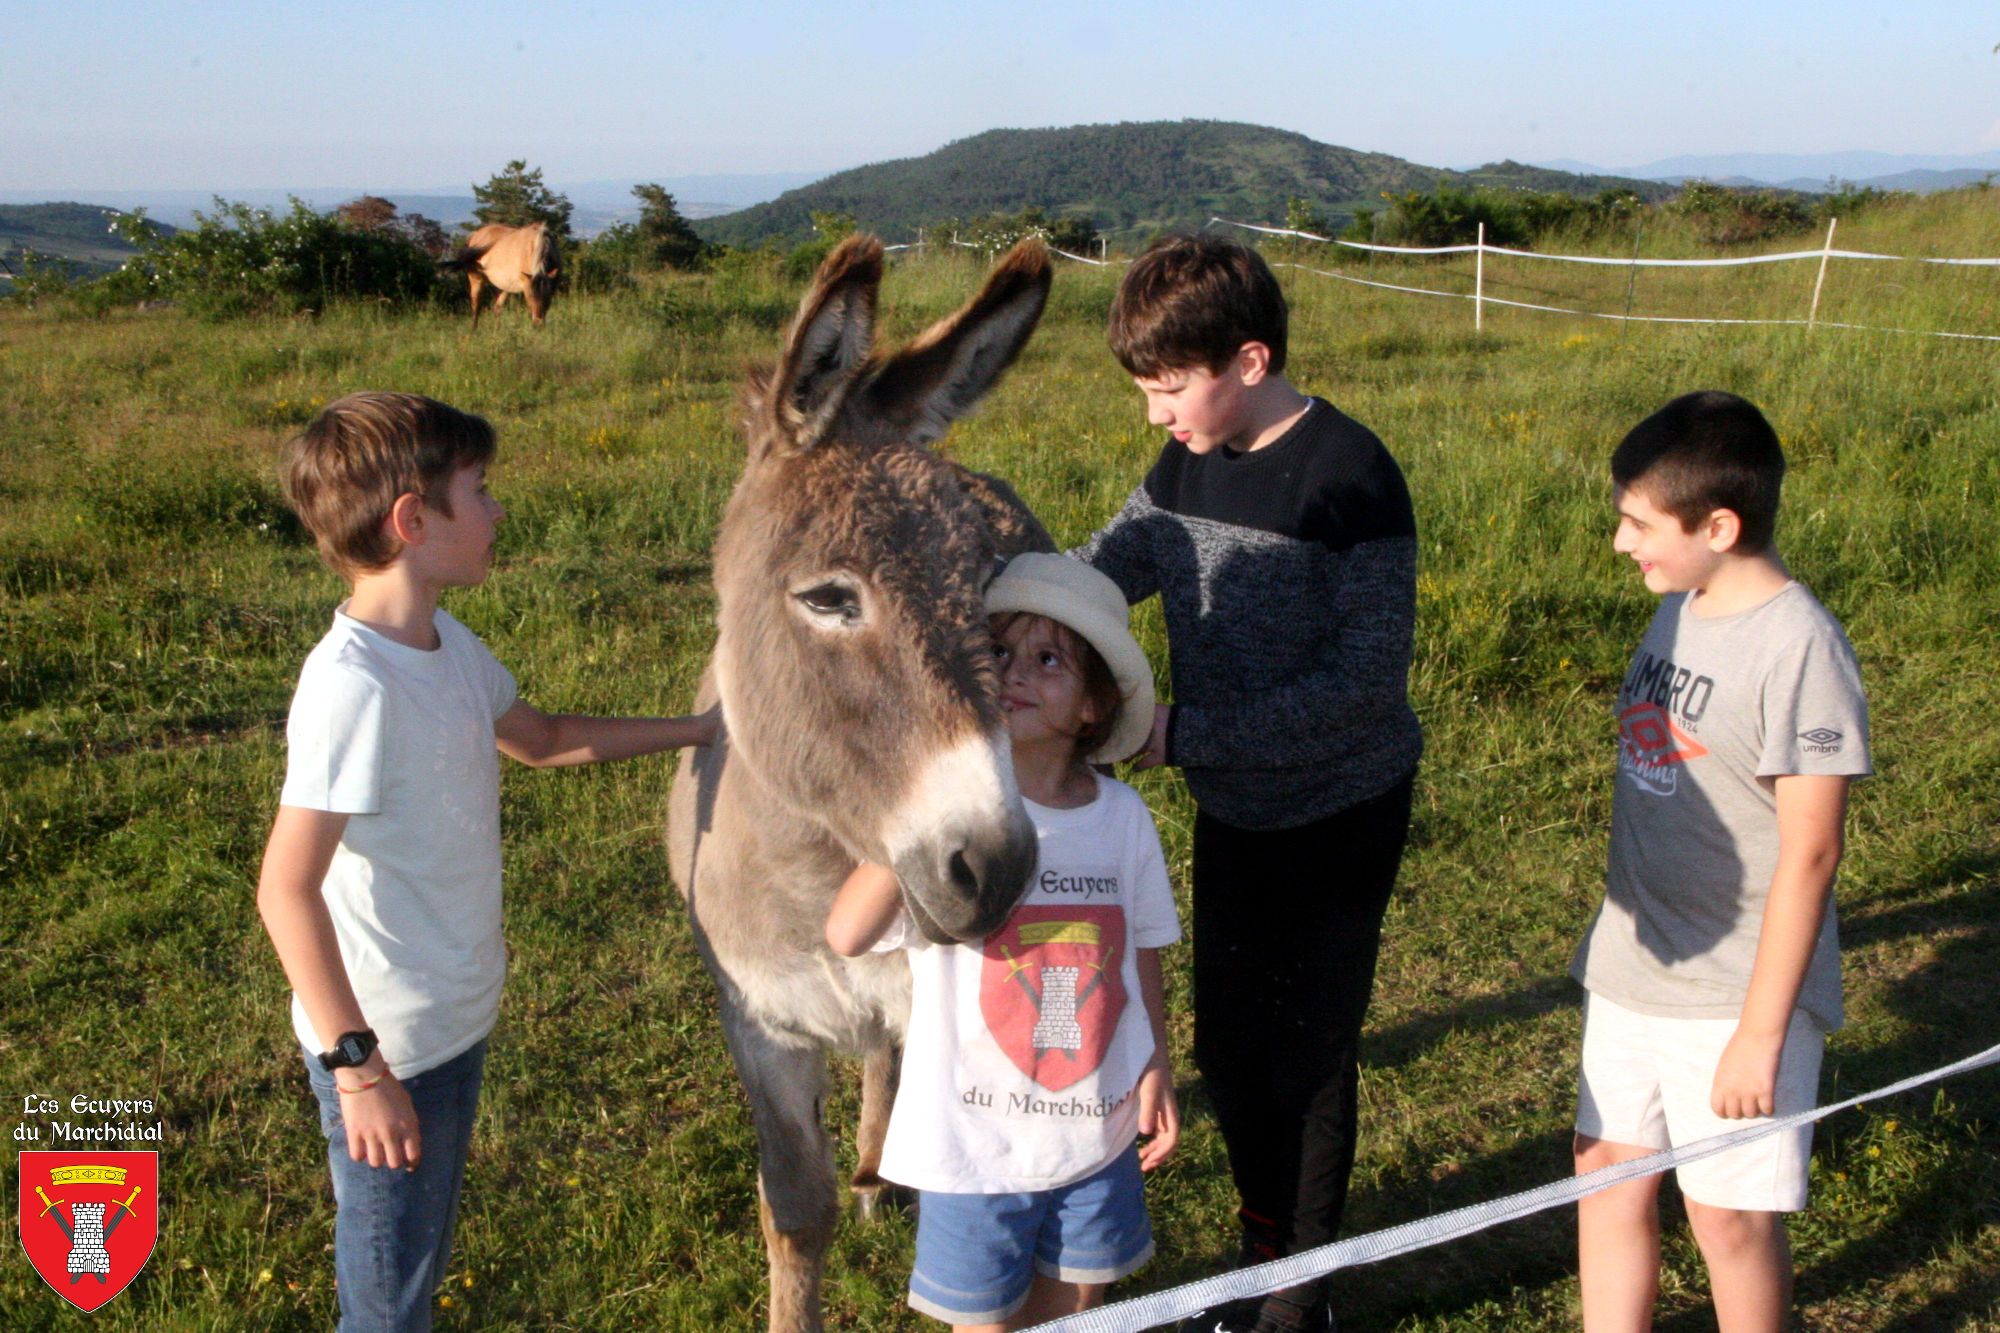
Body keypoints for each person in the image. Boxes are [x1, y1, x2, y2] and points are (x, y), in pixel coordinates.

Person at [255, 392, 717, 1331]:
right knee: (385, 1306)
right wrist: (359, 1069)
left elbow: (541, 738)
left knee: (411, 1271)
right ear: (413, 521)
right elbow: (285, 889)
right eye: (483, 489)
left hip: (452, 1022)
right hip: (389, 1049)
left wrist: (703, 730)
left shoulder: (442, 645)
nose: (501, 509)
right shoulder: (353, 687)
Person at [1072, 233, 1421, 1332]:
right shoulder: (1184, 460)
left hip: (1336, 813)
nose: (1153, 414)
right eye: (1143, 390)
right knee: (1228, 1045)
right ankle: (1256, 1252)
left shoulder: (1350, 478)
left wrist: (1183, 733)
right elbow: (1102, 572)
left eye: (1168, 388)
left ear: (1250, 361)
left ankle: (1295, 1300)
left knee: (1306, 1053)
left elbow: (1363, 686)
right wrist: (1009, 609)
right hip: (1232, 804)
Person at [1571, 391, 1871, 1331]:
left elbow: (1812, 854)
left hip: (1735, 995)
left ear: (1720, 524)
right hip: (1633, 969)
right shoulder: (1685, 600)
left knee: (1727, 1218)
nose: (1622, 542)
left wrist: (1759, 1032)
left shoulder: (1800, 649)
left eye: (1638, 522)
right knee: (1605, 1178)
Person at [824, 552, 1180, 1333]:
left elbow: (1138, 947)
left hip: (1098, 1123)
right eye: (998, 654)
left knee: (1078, 1299)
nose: (1014, 672)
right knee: (983, 1321)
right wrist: (917, 806)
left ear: (1092, 706)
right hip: (972, 1145)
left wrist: (1156, 1060)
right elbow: (848, 931)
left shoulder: (1122, 820)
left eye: (1048, 659)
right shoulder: (953, 822)